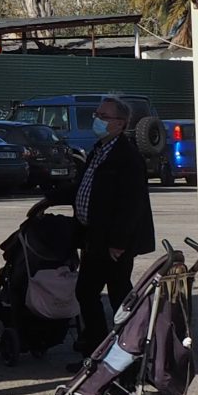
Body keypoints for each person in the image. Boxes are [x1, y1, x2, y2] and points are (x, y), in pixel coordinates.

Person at [54, 94, 153, 353]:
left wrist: (119, 242)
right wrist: (48, 200)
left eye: (103, 116)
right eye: (96, 115)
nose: (96, 120)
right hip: (93, 237)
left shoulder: (127, 156)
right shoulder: (99, 149)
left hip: (113, 242)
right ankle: (97, 350)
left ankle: (126, 351)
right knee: (87, 293)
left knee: (118, 295)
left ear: (120, 123)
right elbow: (83, 188)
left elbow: (132, 204)